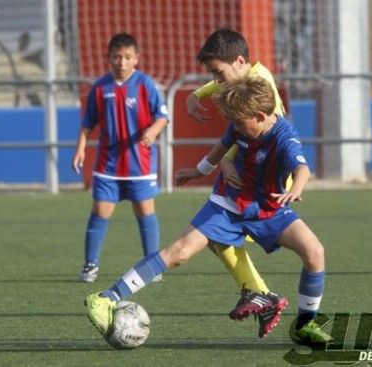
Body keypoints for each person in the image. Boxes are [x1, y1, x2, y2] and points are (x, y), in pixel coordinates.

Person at [85, 76, 332, 344]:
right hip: (228, 203)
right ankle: (106, 297)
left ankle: (305, 324)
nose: (235, 127)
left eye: (239, 122)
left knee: (315, 252)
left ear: (260, 116)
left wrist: (296, 188)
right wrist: (197, 171)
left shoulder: (284, 136)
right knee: (178, 253)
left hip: (270, 207)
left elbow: (302, 168)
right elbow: (221, 148)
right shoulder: (240, 124)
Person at [186, 28, 289, 328]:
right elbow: (225, 84)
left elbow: (263, 134)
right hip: (252, 172)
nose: (216, 82)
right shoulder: (248, 74)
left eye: (218, 74)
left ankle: (261, 294)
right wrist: (196, 94)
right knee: (215, 238)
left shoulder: (259, 84)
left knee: (214, 234)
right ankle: (259, 294)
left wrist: (226, 161)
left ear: (240, 61)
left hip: (265, 178)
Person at [72, 33, 169, 283]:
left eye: (127, 57)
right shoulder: (100, 87)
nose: (122, 62)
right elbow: (87, 123)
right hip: (108, 165)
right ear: (109, 59)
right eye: (117, 57)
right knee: (100, 212)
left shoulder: (146, 85)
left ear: (136, 59)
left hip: (140, 163)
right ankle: (90, 264)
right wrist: (81, 148)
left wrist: (153, 130)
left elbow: (162, 116)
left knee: (145, 210)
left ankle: (151, 265)